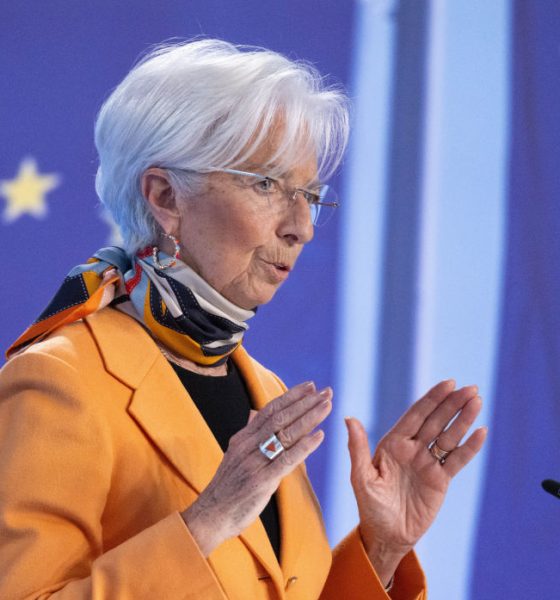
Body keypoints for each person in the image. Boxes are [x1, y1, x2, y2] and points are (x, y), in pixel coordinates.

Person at [0, 39, 486, 599]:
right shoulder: (61, 380)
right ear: (165, 197)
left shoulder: (264, 389)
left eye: (309, 195)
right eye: (266, 184)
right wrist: (207, 522)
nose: (302, 227)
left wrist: (383, 547)